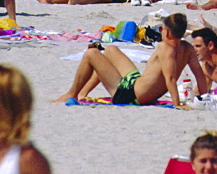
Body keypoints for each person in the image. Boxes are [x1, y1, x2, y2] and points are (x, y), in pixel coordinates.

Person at [54, 13, 206, 106]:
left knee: (91, 54)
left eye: (162, 29)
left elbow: (171, 78)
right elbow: (199, 74)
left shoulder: (165, 48)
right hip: (136, 83)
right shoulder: (187, 48)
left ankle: (72, 94)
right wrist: (204, 98)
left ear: (166, 32)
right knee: (111, 50)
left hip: (130, 95)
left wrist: (176, 104)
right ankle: (83, 93)